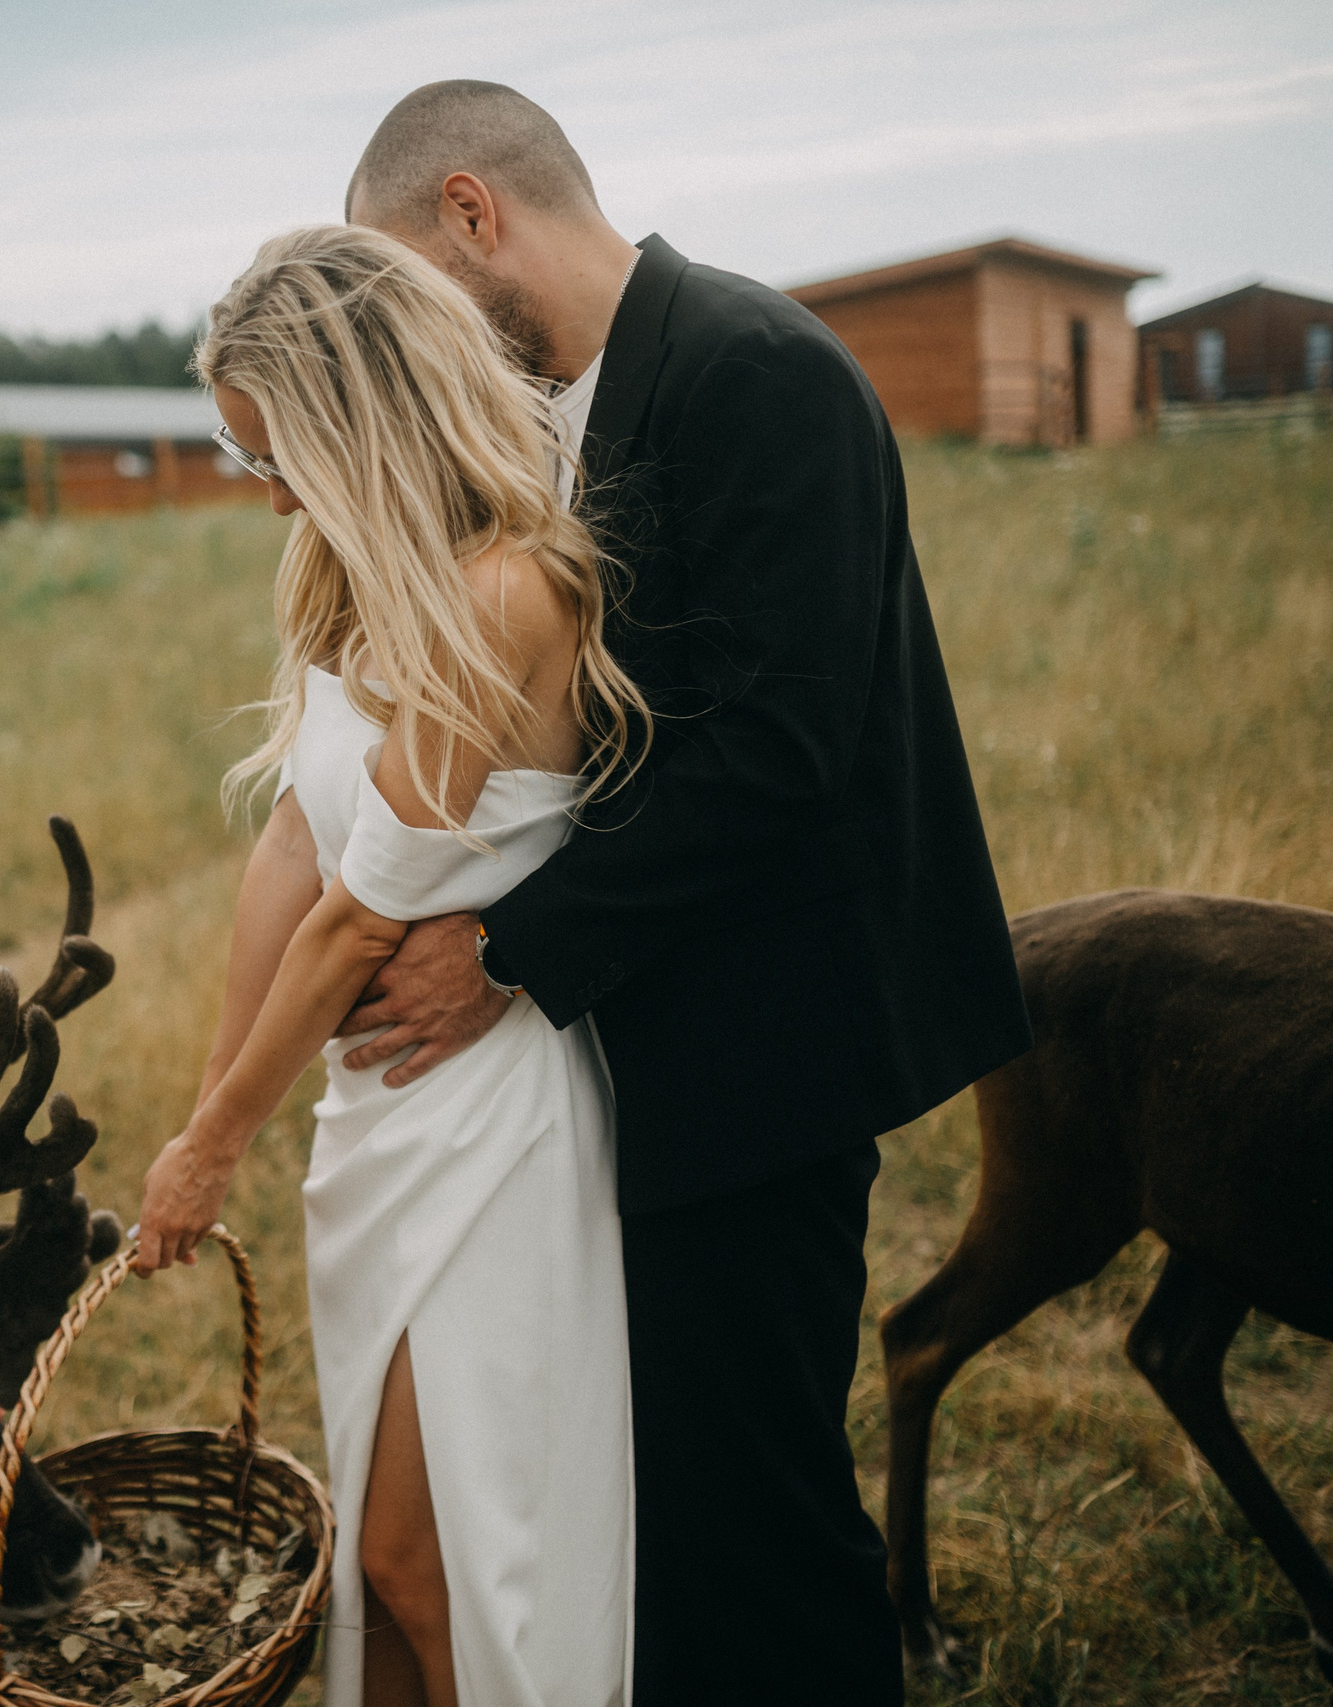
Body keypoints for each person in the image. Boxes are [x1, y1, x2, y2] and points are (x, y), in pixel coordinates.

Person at [324, 82, 1037, 1704]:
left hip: (768, 1047)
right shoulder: (560, 405)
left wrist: (506, 946)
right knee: (662, 1494)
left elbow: (780, 748)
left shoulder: (754, 369)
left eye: (403, 279)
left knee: (755, 1503)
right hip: (653, 1040)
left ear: (470, 211)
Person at [133, 224, 653, 1707]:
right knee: (370, 1554)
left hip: (490, 1120)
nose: (270, 488)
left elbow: (368, 915)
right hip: (373, 1120)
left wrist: (212, 1143)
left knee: (443, 1558)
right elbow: (295, 849)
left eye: (273, 449)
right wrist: (212, 1106)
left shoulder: (508, 589)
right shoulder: (345, 580)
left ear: (354, 413)